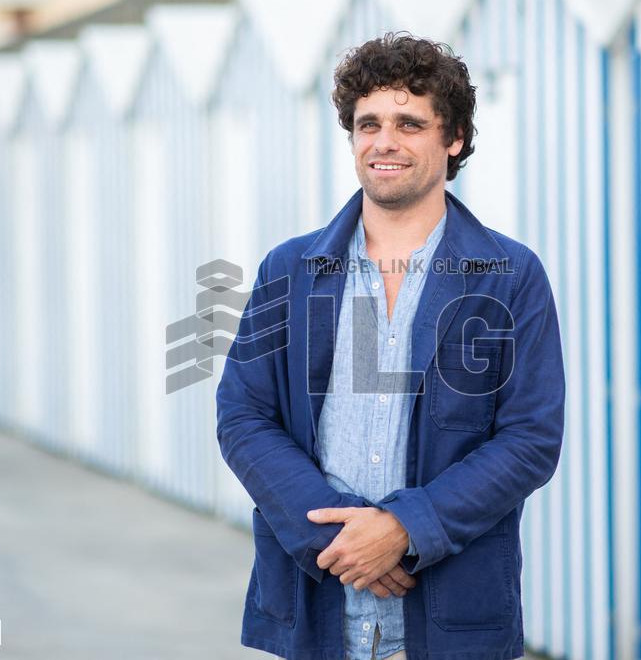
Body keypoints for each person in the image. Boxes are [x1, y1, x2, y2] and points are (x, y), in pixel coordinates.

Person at [215, 32, 565, 660]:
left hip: (451, 616)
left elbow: (530, 438)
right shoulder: (289, 269)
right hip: (317, 605)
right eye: (368, 122)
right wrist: (343, 542)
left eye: (410, 123)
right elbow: (244, 416)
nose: (384, 141)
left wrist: (404, 529)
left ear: (453, 138)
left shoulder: (511, 275)